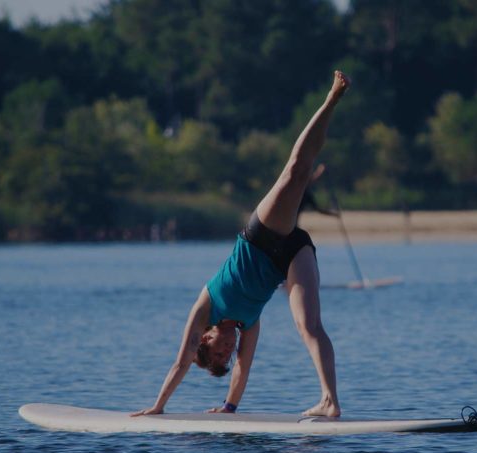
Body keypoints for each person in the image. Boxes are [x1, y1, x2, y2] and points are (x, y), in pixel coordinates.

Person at [132, 70, 350, 418]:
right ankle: (330, 401)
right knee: (308, 326)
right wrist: (229, 408)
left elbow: (180, 361)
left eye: (218, 353)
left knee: (296, 169)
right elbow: (243, 370)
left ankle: (331, 99)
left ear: (205, 339)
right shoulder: (249, 326)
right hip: (291, 253)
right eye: (225, 356)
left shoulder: (205, 308)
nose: (228, 351)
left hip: (261, 236)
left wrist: (159, 407)